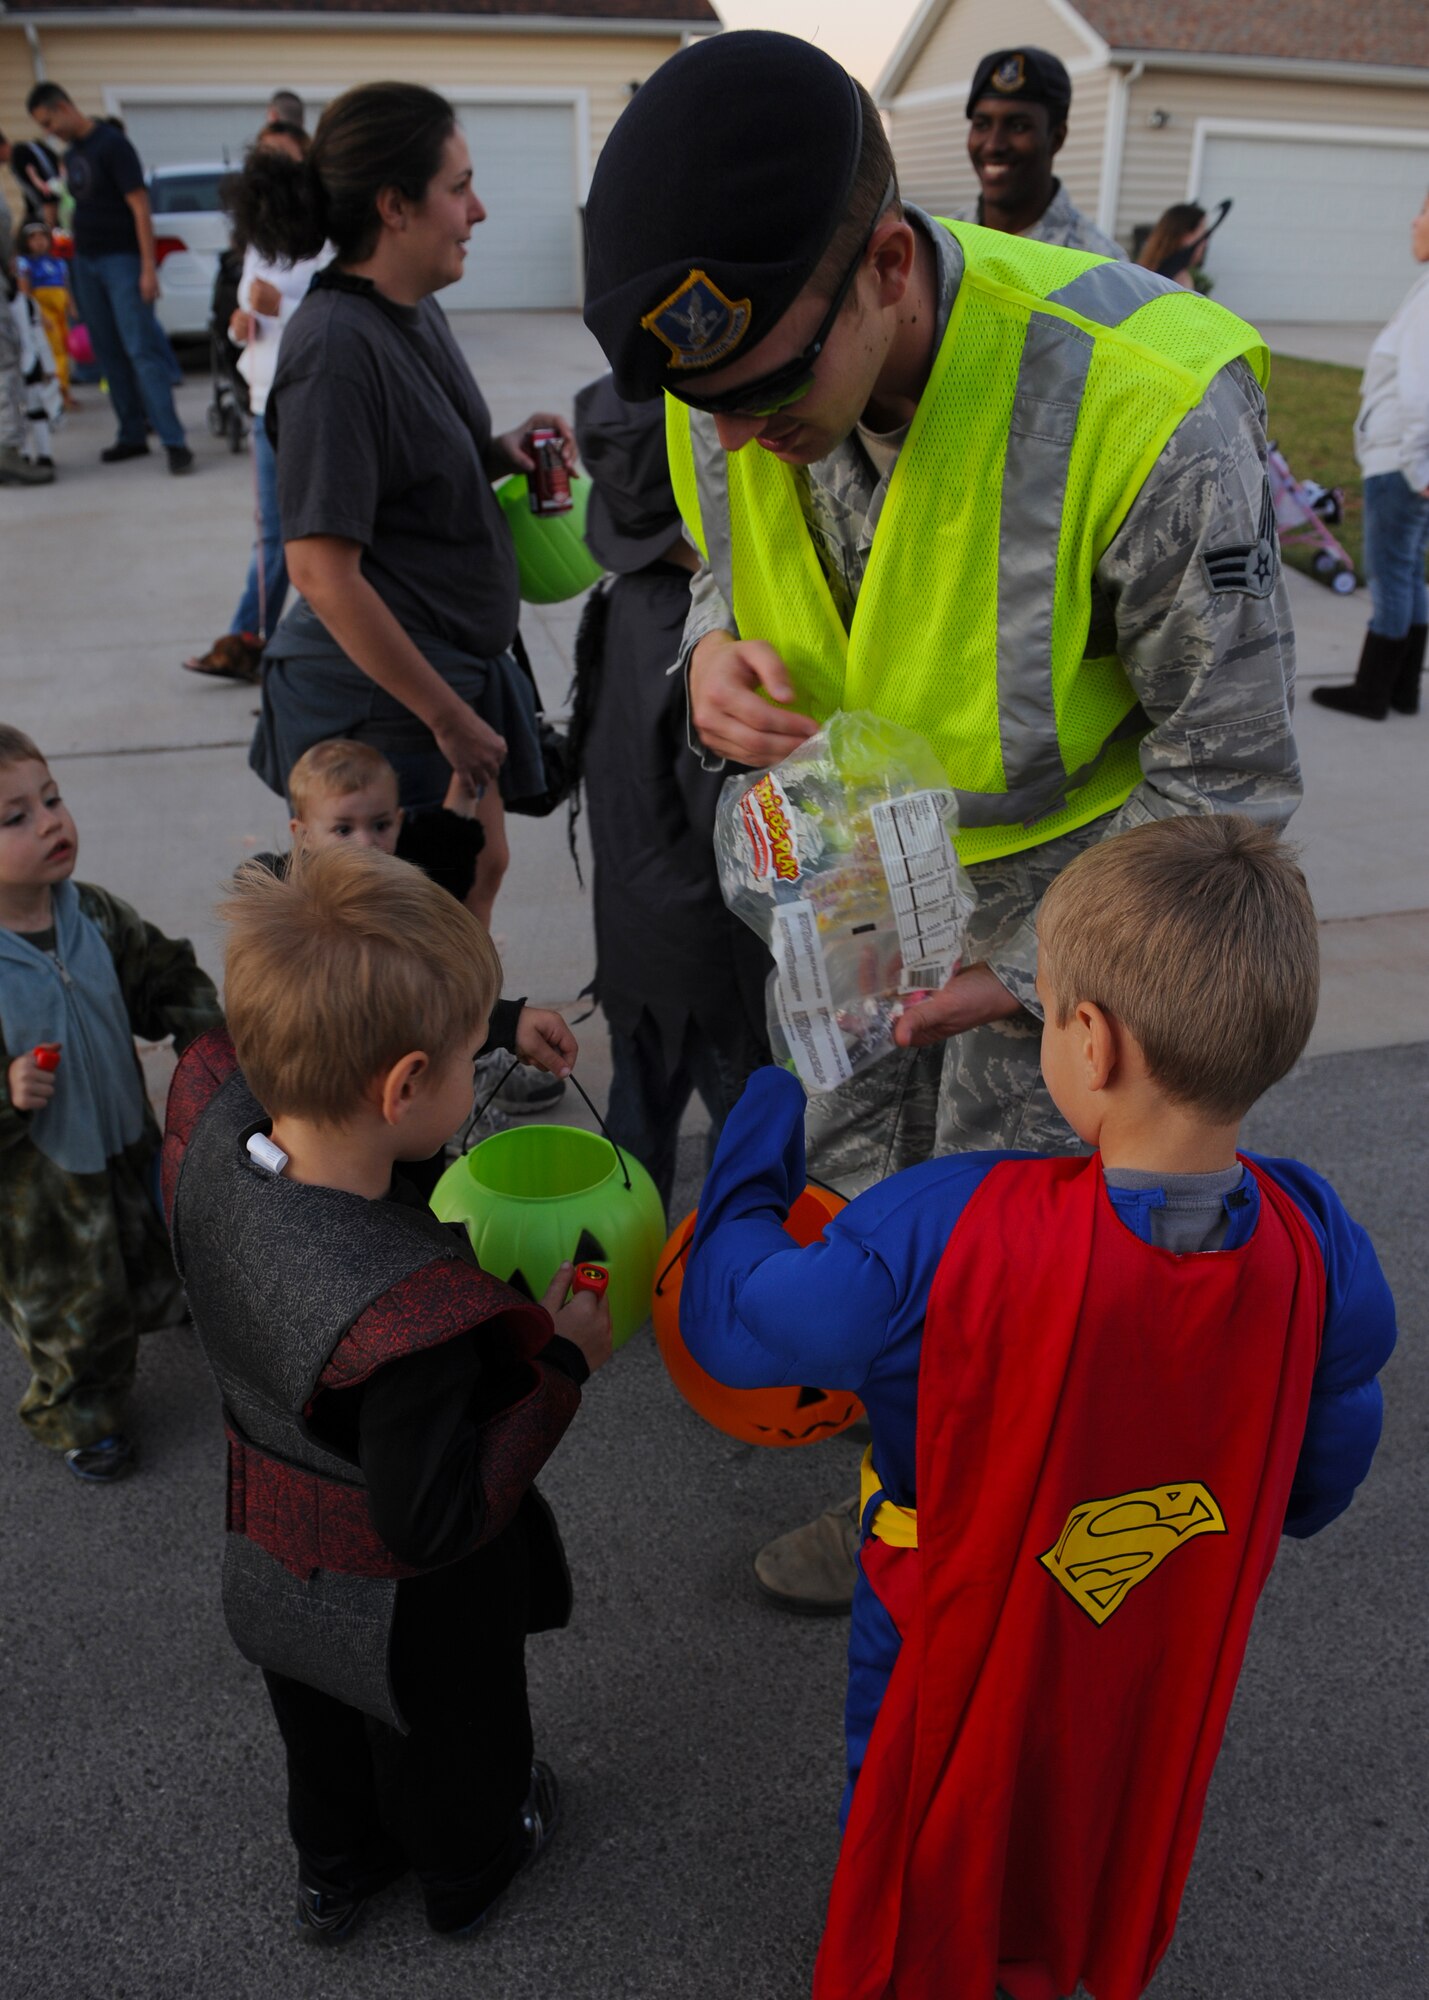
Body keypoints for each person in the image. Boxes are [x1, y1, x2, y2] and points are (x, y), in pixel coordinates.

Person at [582, 29, 1300, 1611]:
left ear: (890, 266)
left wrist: (1039, 975)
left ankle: (1020, 1571)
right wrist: (708, 651)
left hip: (1081, 932)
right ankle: (899, 1505)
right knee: (871, 1254)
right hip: (845, 909)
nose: (743, 432)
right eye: (712, 407)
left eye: (771, 391)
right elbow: (724, 547)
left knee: (1027, 1282)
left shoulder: (1147, 409)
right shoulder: (736, 382)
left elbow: (1231, 794)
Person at [682, 814, 1395, 2000]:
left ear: (1092, 1041)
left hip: (947, 1605)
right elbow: (1321, 1464)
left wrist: (758, 1128)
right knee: (1103, 1795)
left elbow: (740, 1320)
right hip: (1157, 1620)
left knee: (925, 1801)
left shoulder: (949, 1226)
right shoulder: (1318, 1240)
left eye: (1045, 1006)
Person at [162, 844, 612, 1941]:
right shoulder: (404, 1318)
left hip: (269, 1542)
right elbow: (437, 1514)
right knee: (454, 1735)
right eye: (464, 1057)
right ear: (405, 1083)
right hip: (409, 1601)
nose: (472, 1070)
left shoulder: (220, 1126)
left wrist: (488, 1025)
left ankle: (337, 1866)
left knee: (317, 1730)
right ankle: (472, 1865)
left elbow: (303, 1070)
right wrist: (562, 1361)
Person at [233, 81, 568, 934]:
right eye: (458, 187)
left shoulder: (408, 310)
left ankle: (468, 1056)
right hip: (382, 701)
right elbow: (320, 569)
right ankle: (434, 1066)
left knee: (476, 875)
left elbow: (405, 461)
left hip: (441, 673)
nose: (478, 209)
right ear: (394, 206)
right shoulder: (335, 352)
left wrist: (501, 447)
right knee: (410, 930)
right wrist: (450, 719)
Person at [569, 373, 770, 1213]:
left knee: (639, 1114)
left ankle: (611, 1263)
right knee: (747, 1130)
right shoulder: (703, 652)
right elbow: (727, 821)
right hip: (705, 955)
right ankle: (734, 1273)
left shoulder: (617, 603)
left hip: (630, 931)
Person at [0, 725, 222, 1482]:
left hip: (127, 1136)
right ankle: (82, 1412)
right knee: (72, 1304)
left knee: (154, 1236)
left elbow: (162, 972)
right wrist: (5, 1088)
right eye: (16, 817)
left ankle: (165, 1301)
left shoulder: (91, 913)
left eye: (52, 798)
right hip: (40, 1192)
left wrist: (205, 1039)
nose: (52, 823)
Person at [246, 736, 571, 1161]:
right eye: (343, 829)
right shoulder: (301, 922)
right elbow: (418, 1005)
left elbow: (448, 839)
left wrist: (465, 782)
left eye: (381, 825)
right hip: (342, 1117)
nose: (366, 844)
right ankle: (449, 1123)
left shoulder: (405, 878)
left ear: (399, 820)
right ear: (301, 834)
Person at [184, 121, 330, 684]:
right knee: (274, 531)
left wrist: (286, 308)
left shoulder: (328, 238)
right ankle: (255, 639)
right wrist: (244, 321)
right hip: (264, 397)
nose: (267, 175)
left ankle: (278, 644)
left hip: (308, 399)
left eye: (282, 163)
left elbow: (343, 322)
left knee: (313, 535)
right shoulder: (258, 238)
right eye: (260, 163)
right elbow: (250, 311)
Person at [25, 81, 193, 472]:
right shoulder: (74, 153)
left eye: (50, 122)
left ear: (64, 107)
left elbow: (140, 206)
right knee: (108, 352)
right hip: (86, 262)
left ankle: (174, 441)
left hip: (123, 261)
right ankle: (131, 433)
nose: (50, 131)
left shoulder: (112, 146)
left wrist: (148, 268)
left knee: (141, 350)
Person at [1312, 187, 1429, 721]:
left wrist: (1418, 464)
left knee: (1390, 574)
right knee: (1410, 573)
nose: (1414, 223)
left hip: (1400, 463)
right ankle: (1402, 690)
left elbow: (1419, 390)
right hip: (1410, 462)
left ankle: (1372, 692)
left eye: (1425, 212)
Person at [956, 47, 1124, 258]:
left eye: (1018, 127)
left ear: (1056, 138)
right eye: (982, 125)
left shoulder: (1097, 263)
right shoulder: (941, 245)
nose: (993, 145)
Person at [16, 217, 74, 406]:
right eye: (33, 238)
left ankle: (64, 389)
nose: (39, 241)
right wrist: (38, 315)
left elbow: (65, 287)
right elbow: (26, 293)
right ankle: (58, 393)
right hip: (44, 314)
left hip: (60, 315)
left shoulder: (57, 262)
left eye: (42, 237)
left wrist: (72, 308)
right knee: (54, 353)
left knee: (65, 351)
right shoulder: (24, 264)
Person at [1137, 201, 1206, 287]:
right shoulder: (1180, 281)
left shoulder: (1141, 273)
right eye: (1203, 235)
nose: (1204, 243)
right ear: (1186, 238)